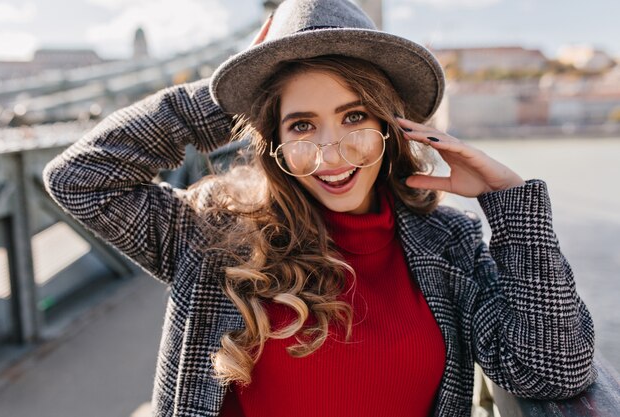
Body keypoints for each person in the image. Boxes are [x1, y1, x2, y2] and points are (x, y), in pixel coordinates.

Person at [42, 0, 596, 416]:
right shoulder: (215, 233)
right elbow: (80, 179)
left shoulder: (449, 242)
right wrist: (227, 92)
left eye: (355, 117)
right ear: (274, 143)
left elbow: (553, 369)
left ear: (390, 126)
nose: (331, 153)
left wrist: (511, 208)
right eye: (302, 125)